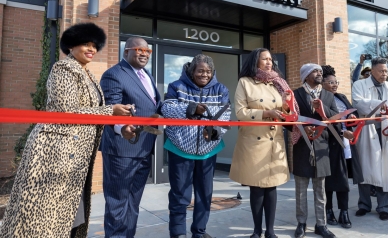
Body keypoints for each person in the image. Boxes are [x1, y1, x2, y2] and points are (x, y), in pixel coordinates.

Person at [0, 23, 132, 238]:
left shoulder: (86, 73)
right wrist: (110, 110)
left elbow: (90, 113)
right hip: (55, 154)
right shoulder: (64, 68)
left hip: (74, 155)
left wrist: (117, 118)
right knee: (44, 217)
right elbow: (67, 111)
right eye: (85, 44)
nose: (91, 49)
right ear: (71, 46)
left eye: (94, 46)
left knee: (68, 214)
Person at [161, 54, 231, 238]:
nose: (204, 75)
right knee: (180, 195)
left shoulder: (220, 89)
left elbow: (225, 115)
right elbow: (167, 110)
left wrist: (215, 131)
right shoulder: (177, 86)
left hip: (209, 151)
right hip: (180, 148)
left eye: (208, 72)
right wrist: (190, 109)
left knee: (204, 195)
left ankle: (199, 231)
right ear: (192, 71)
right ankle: (178, 233)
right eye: (200, 71)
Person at [100, 37, 162, 237]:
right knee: (118, 202)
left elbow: (153, 106)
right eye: (139, 49)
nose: (144, 53)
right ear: (126, 51)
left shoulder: (147, 75)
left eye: (148, 51)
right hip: (122, 149)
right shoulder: (114, 74)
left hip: (144, 148)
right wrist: (121, 128)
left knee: (133, 202)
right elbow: (112, 107)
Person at [230, 48, 291, 238]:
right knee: (256, 188)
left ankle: (270, 231)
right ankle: (257, 230)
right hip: (254, 143)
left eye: (271, 59)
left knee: (271, 187)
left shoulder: (278, 84)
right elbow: (240, 113)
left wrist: (287, 105)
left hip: (275, 142)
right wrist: (266, 113)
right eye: (264, 59)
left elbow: (287, 115)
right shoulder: (245, 82)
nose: (269, 62)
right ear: (255, 61)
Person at [351, 57, 388, 221]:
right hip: (368, 132)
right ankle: (364, 205)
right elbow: (359, 103)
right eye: (381, 71)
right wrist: (380, 104)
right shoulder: (359, 85)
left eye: (386, 71)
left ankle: (384, 207)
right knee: (365, 171)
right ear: (372, 70)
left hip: (387, 134)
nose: (384, 74)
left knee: (387, 172)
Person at [292, 64, 337, 238]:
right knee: (301, 189)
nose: (319, 74)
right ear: (305, 75)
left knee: (321, 190)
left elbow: (334, 117)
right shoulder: (295, 95)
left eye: (320, 71)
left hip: (321, 146)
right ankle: (301, 224)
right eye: (315, 71)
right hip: (302, 146)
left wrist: (321, 109)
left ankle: (321, 224)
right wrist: (302, 129)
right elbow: (290, 120)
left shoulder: (327, 94)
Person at [321, 65, 363, 229]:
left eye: (336, 82)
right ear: (323, 83)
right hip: (328, 145)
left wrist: (352, 118)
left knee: (344, 179)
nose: (334, 85)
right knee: (329, 181)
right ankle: (329, 210)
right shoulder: (321, 100)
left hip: (346, 144)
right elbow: (321, 123)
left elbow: (354, 117)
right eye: (330, 82)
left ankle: (344, 211)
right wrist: (340, 133)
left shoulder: (341, 97)